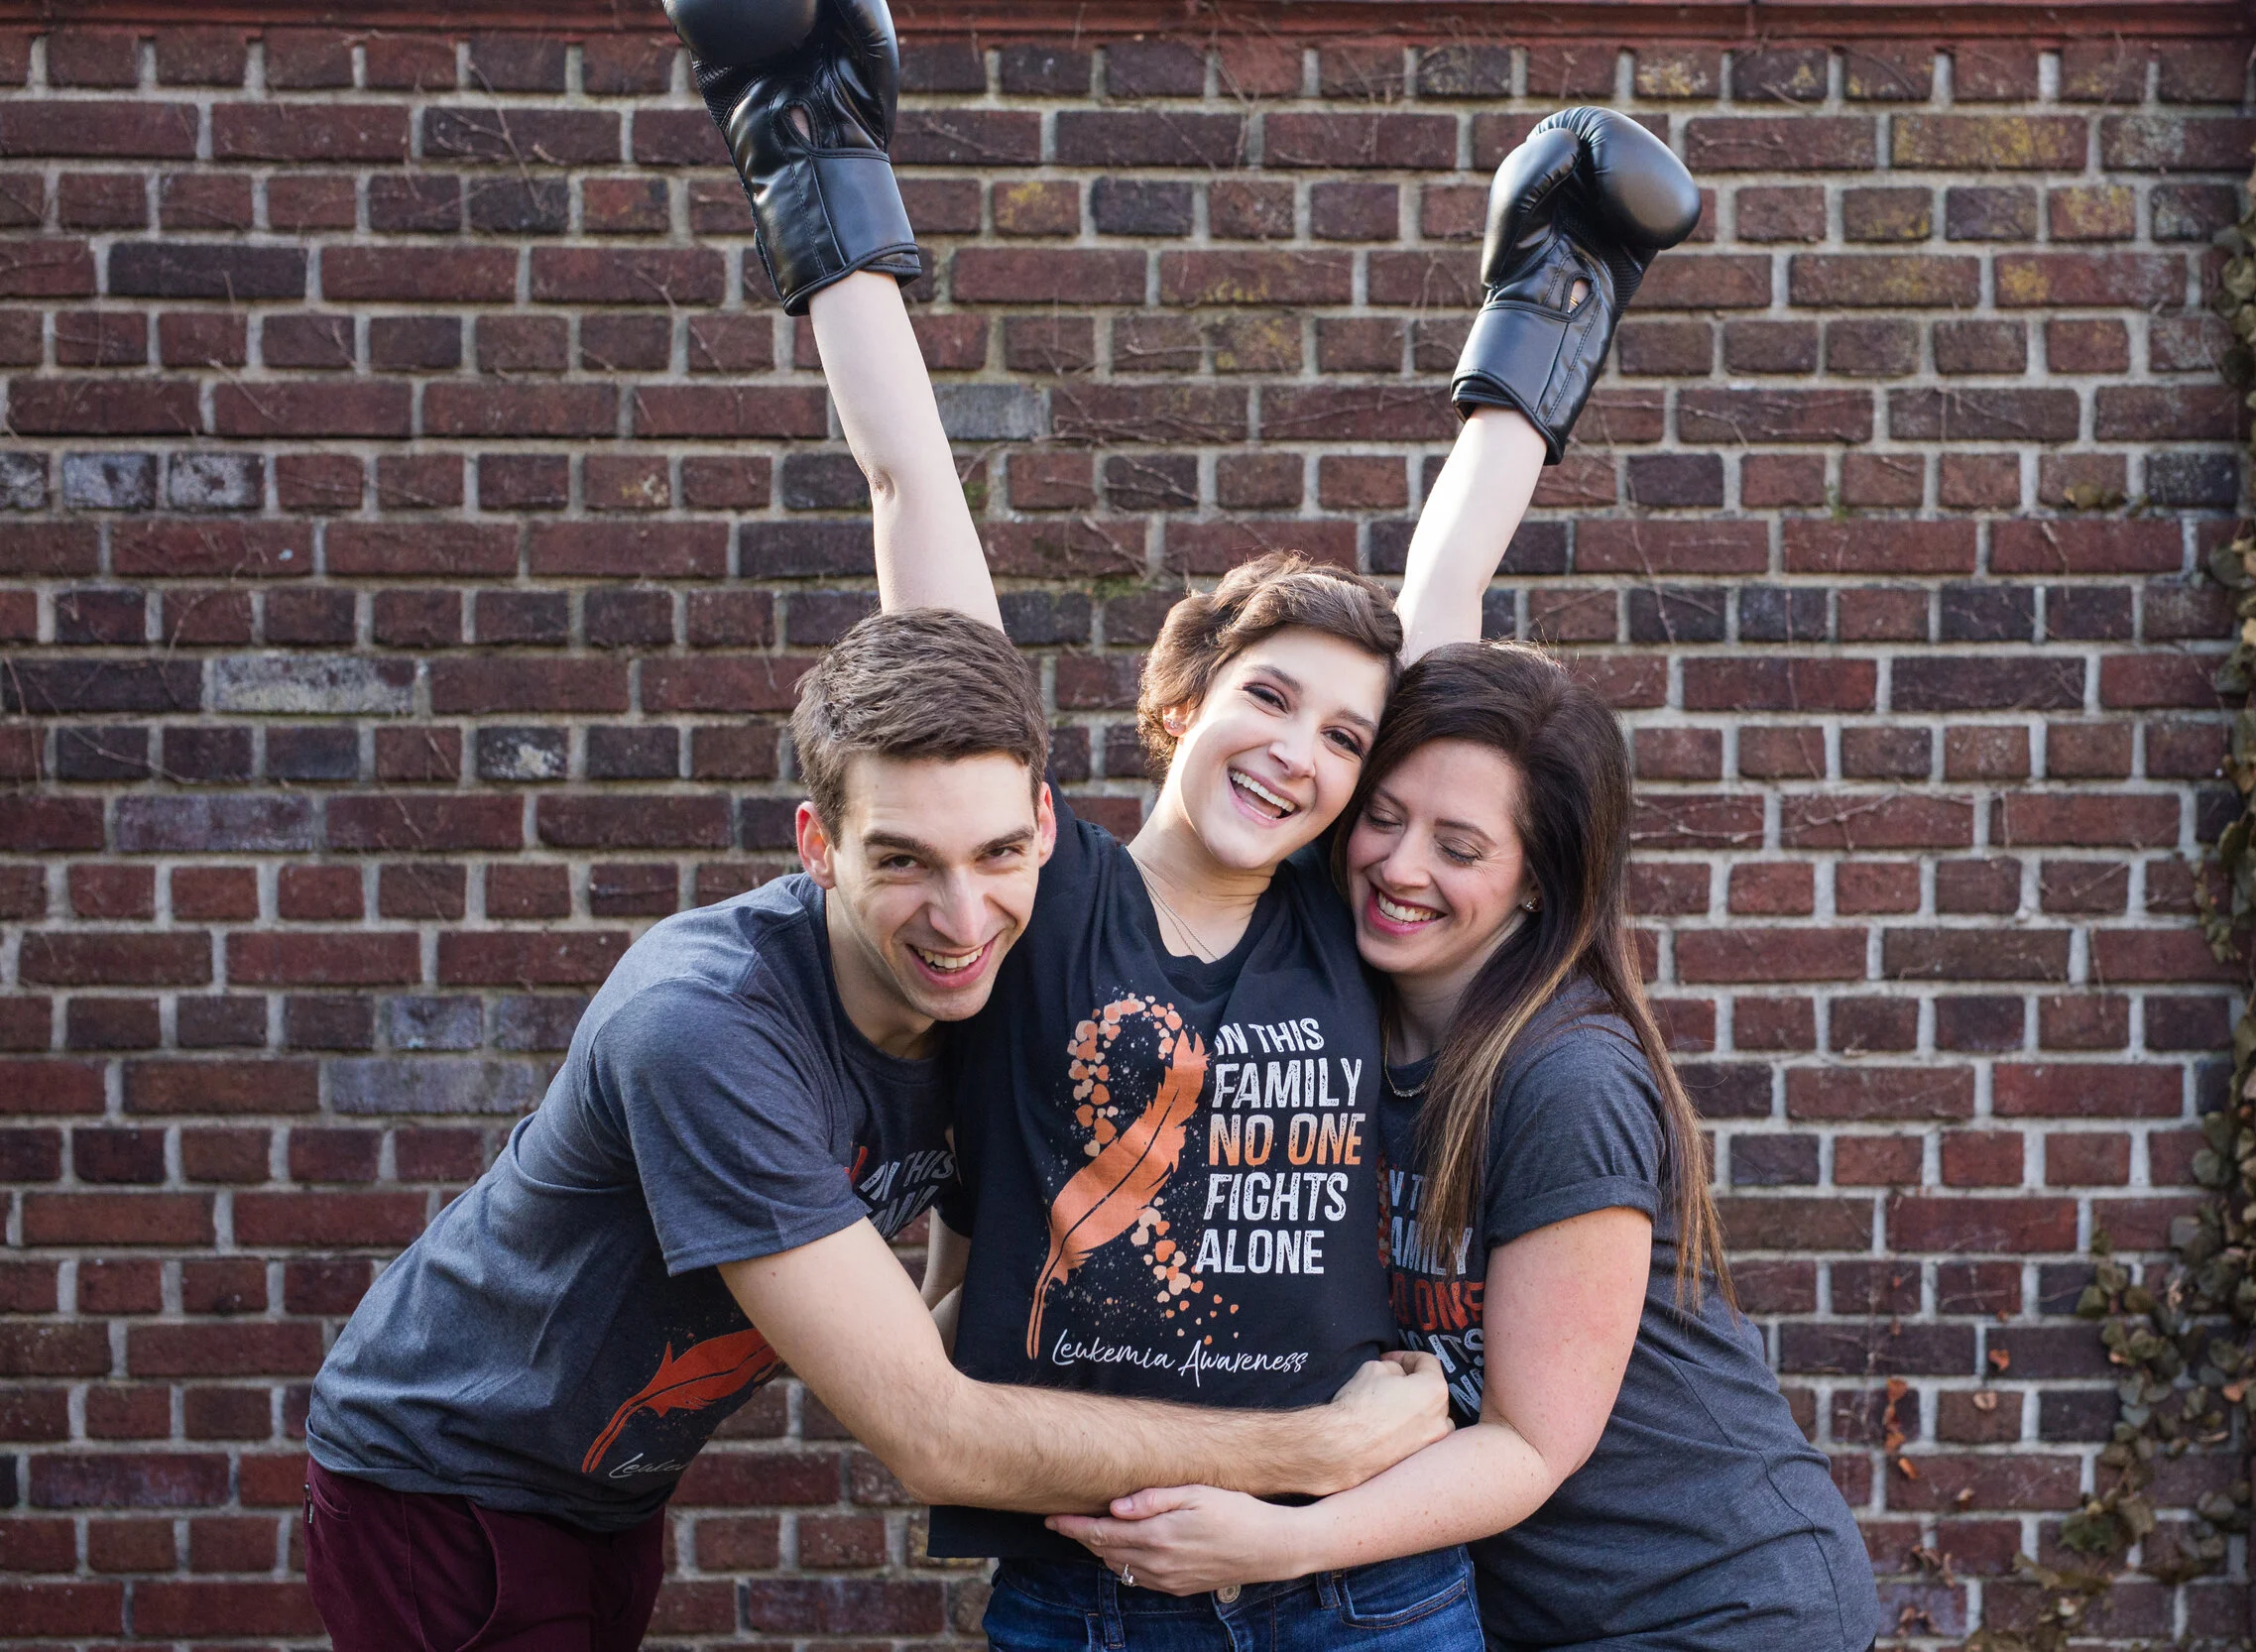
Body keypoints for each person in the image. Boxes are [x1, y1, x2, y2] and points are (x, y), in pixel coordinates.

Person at [297, 6, 1459, 1645]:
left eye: (996, 855)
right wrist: (1313, 1457)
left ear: (1040, 827)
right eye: (903, 859)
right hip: (451, 1480)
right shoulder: (715, 1020)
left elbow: (1417, 705)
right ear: (817, 844)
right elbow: (930, 1433)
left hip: (604, 1483)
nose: (964, 910)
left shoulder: (1022, 926)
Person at [728, 4, 1700, 1646]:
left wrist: (1558, 283)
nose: (1301, 751)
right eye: (1268, 697)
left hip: (1361, 1587)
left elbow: (1447, 583)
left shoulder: (1340, 914)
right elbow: (913, 498)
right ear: (1180, 701)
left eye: (1345, 736)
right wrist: (802, 146)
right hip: (1095, 1594)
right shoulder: (1042, 890)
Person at [1050, 645, 1880, 1652]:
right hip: (1531, 1614)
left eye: (1459, 847)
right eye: (1384, 817)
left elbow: (1530, 1442)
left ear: (1537, 882)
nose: (1401, 867)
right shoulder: (1334, 1015)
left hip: (1717, 1607)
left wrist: (1281, 1542)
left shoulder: (1566, 1078)